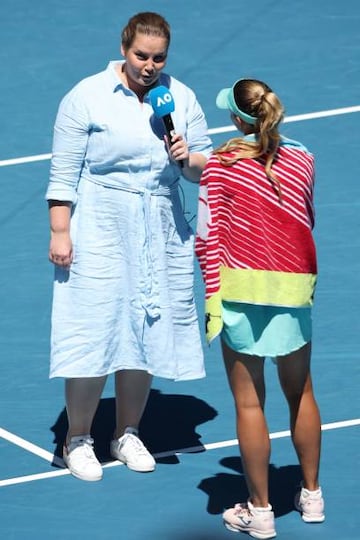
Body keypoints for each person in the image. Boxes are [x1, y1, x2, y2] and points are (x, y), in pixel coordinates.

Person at [46, 11, 212, 482]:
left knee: (146, 326)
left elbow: (206, 164)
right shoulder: (87, 96)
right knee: (95, 325)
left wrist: (188, 158)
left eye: (159, 57)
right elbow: (63, 173)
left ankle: (127, 432)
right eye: (142, 55)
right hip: (99, 221)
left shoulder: (178, 98)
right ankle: (77, 439)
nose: (150, 65)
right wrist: (61, 231)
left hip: (158, 222)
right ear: (124, 48)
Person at [195, 78, 324, 538]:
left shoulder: (221, 165)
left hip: (241, 294)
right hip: (293, 292)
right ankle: (312, 497)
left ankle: (260, 510)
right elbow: (304, 221)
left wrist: (212, 300)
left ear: (236, 119)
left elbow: (208, 238)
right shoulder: (304, 158)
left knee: (250, 403)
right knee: (301, 394)